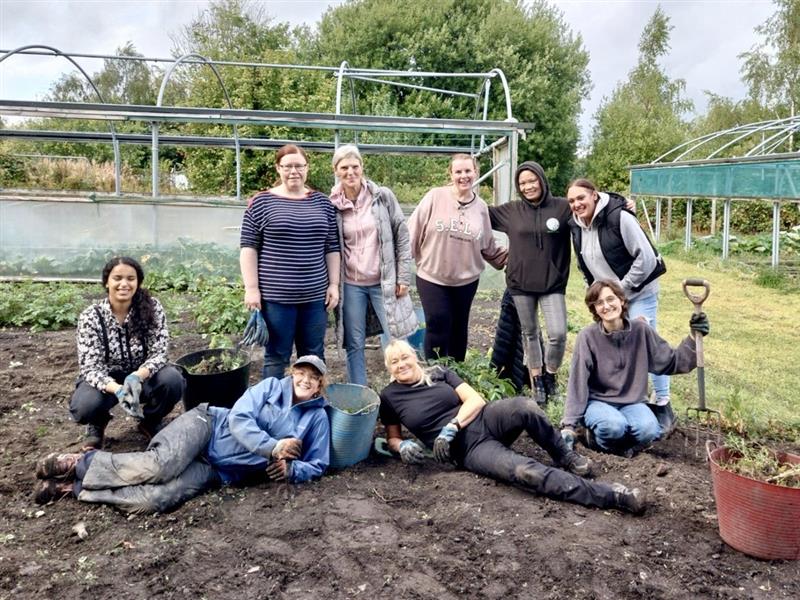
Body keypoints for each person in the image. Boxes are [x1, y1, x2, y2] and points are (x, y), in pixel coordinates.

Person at [378, 339, 647, 515]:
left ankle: (565, 455)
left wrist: (453, 425)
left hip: (483, 418)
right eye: (394, 362)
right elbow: (392, 437)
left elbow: (475, 399)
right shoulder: (389, 396)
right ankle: (613, 495)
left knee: (524, 406)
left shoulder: (439, 373)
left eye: (405, 357)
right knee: (525, 471)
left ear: (415, 357)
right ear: (389, 368)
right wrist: (403, 446)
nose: (401, 364)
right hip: (468, 449)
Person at [34, 356, 331, 513]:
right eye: (301, 373)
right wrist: (274, 447)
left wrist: (292, 468)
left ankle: (74, 489)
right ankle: (80, 464)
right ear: (292, 373)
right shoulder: (270, 387)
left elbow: (318, 464)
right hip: (207, 426)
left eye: (313, 378)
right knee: (160, 466)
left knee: (159, 499)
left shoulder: (317, 418)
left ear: (320, 386)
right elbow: (240, 419)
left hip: (221, 470)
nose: (305, 380)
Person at [566, 179, 672, 430]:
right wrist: (598, 294)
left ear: (594, 195)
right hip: (610, 297)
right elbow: (585, 264)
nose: (576, 204)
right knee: (612, 346)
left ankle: (663, 403)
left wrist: (618, 292)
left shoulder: (619, 218)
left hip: (637, 291)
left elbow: (645, 259)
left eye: (581, 198)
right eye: (571, 201)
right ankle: (621, 397)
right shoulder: (577, 226)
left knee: (645, 341)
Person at [561, 280, 709, 457]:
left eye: (610, 299)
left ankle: (622, 446)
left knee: (649, 430)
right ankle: (595, 440)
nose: (606, 306)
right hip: (598, 402)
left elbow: (670, 361)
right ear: (594, 309)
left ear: (622, 301)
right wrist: (569, 425)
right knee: (613, 426)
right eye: (599, 303)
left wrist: (693, 336)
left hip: (632, 403)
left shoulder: (641, 331)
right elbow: (577, 381)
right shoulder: (587, 337)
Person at [240, 144, 341, 379]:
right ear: (278, 168)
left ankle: (313, 403)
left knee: (314, 354)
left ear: (307, 168)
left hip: (315, 297)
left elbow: (332, 248)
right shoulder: (261, 203)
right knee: (276, 355)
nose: (294, 171)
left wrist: (334, 284)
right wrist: (252, 289)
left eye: (299, 166)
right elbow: (248, 248)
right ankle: (272, 406)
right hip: (276, 297)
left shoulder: (323, 203)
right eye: (288, 166)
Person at [69, 256, 184, 450]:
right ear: (107, 282)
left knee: (173, 380)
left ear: (138, 282)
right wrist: (118, 389)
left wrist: (137, 376)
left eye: (130, 278)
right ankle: (97, 423)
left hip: (143, 375)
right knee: (85, 406)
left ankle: (150, 420)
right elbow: (90, 367)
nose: (124, 284)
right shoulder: (91, 316)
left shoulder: (152, 308)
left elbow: (159, 353)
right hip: (106, 380)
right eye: (117, 278)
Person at [329, 144, 417, 385]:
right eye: (344, 167)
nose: (350, 172)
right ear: (336, 170)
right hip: (352, 285)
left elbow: (401, 234)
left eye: (354, 166)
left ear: (362, 167)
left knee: (395, 339)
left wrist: (403, 277)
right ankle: (359, 393)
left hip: (384, 281)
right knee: (354, 342)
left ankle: (402, 391)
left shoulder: (382, 196)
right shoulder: (332, 204)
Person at [407, 154, 507, 362]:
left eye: (468, 171)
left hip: (466, 280)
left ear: (475, 173)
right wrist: (399, 270)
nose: (464, 176)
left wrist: (517, 257)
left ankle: (457, 376)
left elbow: (487, 244)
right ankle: (435, 373)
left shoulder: (481, 208)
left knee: (459, 328)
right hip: (431, 276)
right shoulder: (435, 197)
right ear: (450, 174)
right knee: (437, 322)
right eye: (458, 171)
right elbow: (413, 232)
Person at [488, 161, 571, 405]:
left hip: (552, 284)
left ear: (542, 180)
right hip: (520, 283)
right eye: (522, 183)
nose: (527, 186)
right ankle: (537, 382)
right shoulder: (511, 211)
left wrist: (622, 203)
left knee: (558, 333)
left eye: (532, 180)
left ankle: (551, 375)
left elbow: (590, 202)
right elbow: (478, 214)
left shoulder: (562, 207)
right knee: (530, 333)